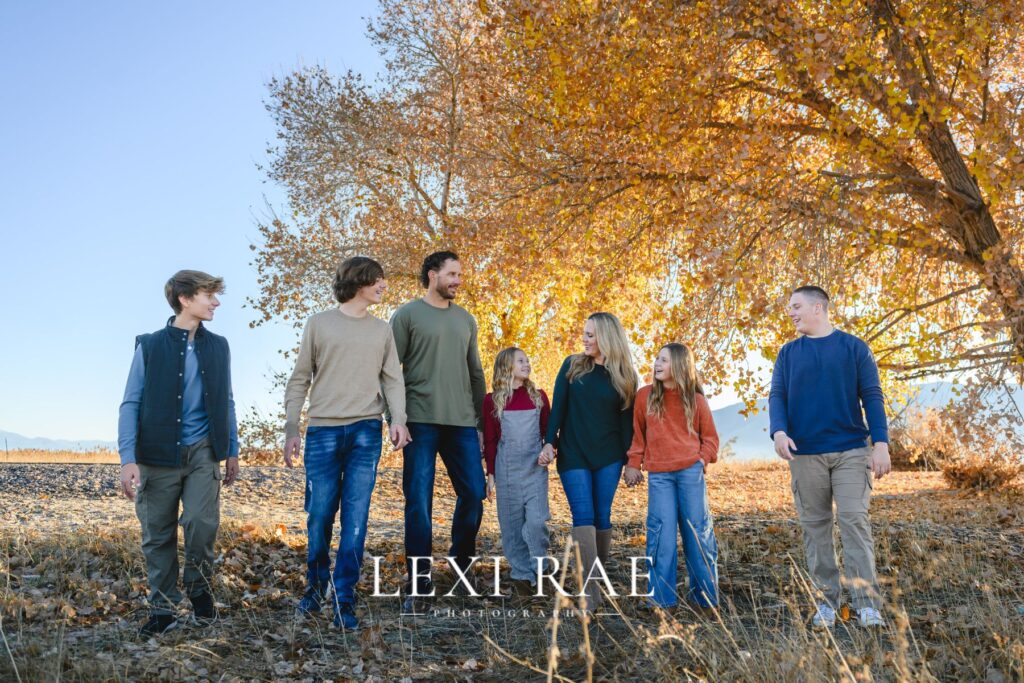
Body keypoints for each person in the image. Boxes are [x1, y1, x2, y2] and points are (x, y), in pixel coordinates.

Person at [283, 256, 410, 631]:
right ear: (359, 281)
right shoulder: (319, 324)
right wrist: (293, 427)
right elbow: (300, 378)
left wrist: (397, 420)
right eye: (378, 279)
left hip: (366, 434)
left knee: (356, 519)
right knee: (320, 514)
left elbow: (392, 380)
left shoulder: (382, 330)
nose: (384, 285)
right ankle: (315, 585)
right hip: (322, 432)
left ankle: (344, 597)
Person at [118, 270, 240, 637]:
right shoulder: (150, 345)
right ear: (185, 299)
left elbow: (227, 400)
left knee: (202, 523)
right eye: (209, 295)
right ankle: (163, 610)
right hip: (155, 454)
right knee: (158, 535)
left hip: (204, 450)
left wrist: (232, 449)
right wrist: (127, 458)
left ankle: (200, 592)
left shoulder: (219, 346)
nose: (216, 302)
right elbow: (130, 403)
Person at [769, 286, 891, 629]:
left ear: (818, 307)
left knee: (854, 519)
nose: (791, 312)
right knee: (816, 528)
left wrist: (880, 443)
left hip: (851, 450)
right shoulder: (788, 353)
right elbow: (777, 395)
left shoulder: (854, 348)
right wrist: (778, 431)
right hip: (805, 455)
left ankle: (866, 604)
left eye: (796, 306)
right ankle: (826, 603)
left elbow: (872, 396)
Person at [391, 251, 487, 612]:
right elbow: (389, 370)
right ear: (432, 275)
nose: (458, 280)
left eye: (460, 274)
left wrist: (480, 422)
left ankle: (461, 563)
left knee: (474, 493)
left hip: (462, 422)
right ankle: (419, 583)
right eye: (452, 274)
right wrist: (395, 417)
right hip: (419, 421)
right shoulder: (406, 315)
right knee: (418, 501)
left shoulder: (466, 320)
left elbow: (476, 374)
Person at [539, 312, 637, 610]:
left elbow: (627, 424)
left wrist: (631, 461)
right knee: (583, 515)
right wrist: (549, 443)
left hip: (609, 456)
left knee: (602, 516)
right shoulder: (572, 366)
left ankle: (596, 575)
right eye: (585, 333)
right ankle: (589, 592)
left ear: (607, 337)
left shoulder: (625, 376)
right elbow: (558, 409)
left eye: (591, 334)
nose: (585, 338)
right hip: (574, 453)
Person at [625, 343, 720, 610]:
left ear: (679, 365)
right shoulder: (645, 397)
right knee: (660, 535)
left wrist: (702, 459)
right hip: (659, 476)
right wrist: (633, 463)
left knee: (698, 534)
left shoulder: (696, 400)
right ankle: (660, 599)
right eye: (657, 359)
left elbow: (711, 438)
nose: (657, 364)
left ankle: (705, 600)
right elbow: (638, 436)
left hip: (690, 473)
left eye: (664, 360)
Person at [483, 347, 551, 597]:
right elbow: (490, 440)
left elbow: (548, 435)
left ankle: (541, 570)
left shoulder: (538, 397)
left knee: (535, 522)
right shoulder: (492, 401)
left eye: (527, 359)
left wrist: (549, 451)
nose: (527, 363)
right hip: (507, 471)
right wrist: (491, 475)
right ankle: (522, 577)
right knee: (511, 528)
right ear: (506, 367)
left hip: (534, 470)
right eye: (520, 361)